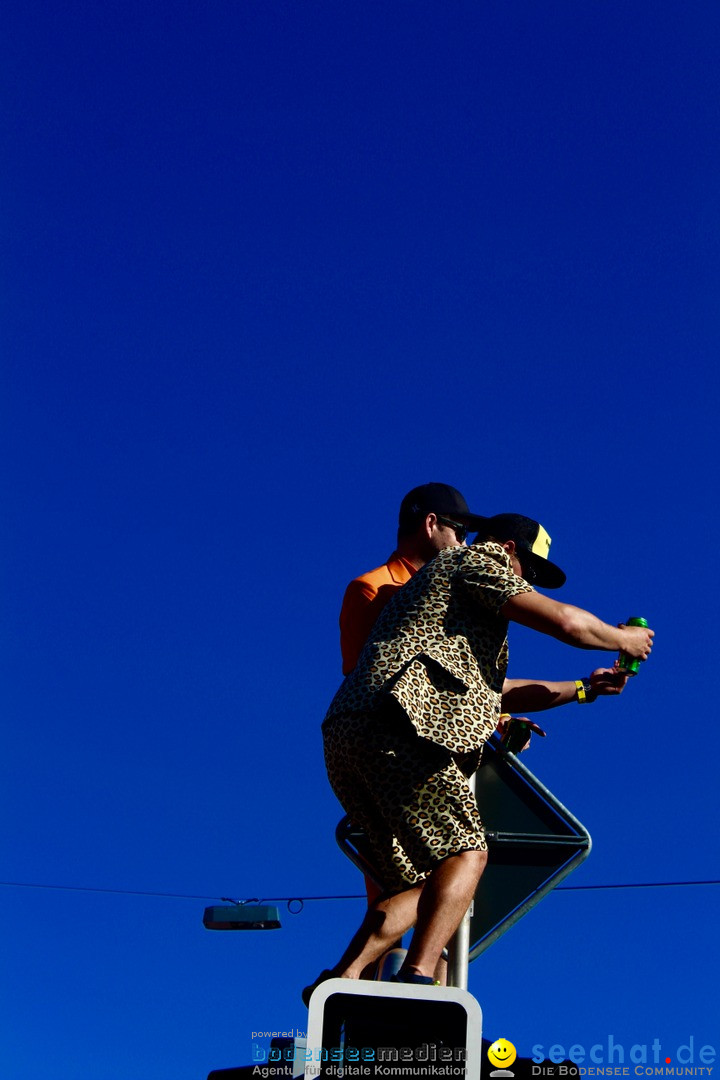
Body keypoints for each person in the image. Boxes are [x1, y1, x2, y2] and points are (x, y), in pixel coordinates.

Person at [306, 513, 653, 997]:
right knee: (468, 853)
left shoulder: (450, 609)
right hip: (404, 725)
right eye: (528, 569)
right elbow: (567, 623)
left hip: (352, 736)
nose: (527, 581)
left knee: (427, 882)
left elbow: (497, 691)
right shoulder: (475, 561)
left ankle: (344, 976)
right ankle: (419, 979)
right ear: (508, 548)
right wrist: (623, 639)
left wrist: (582, 689)